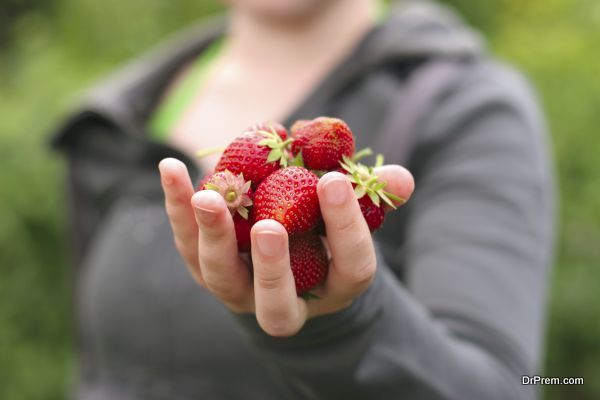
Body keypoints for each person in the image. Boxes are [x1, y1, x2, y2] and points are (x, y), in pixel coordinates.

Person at [51, 0, 555, 399]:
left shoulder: (463, 109)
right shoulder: (117, 118)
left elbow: (501, 389)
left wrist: (341, 325)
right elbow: (96, 368)